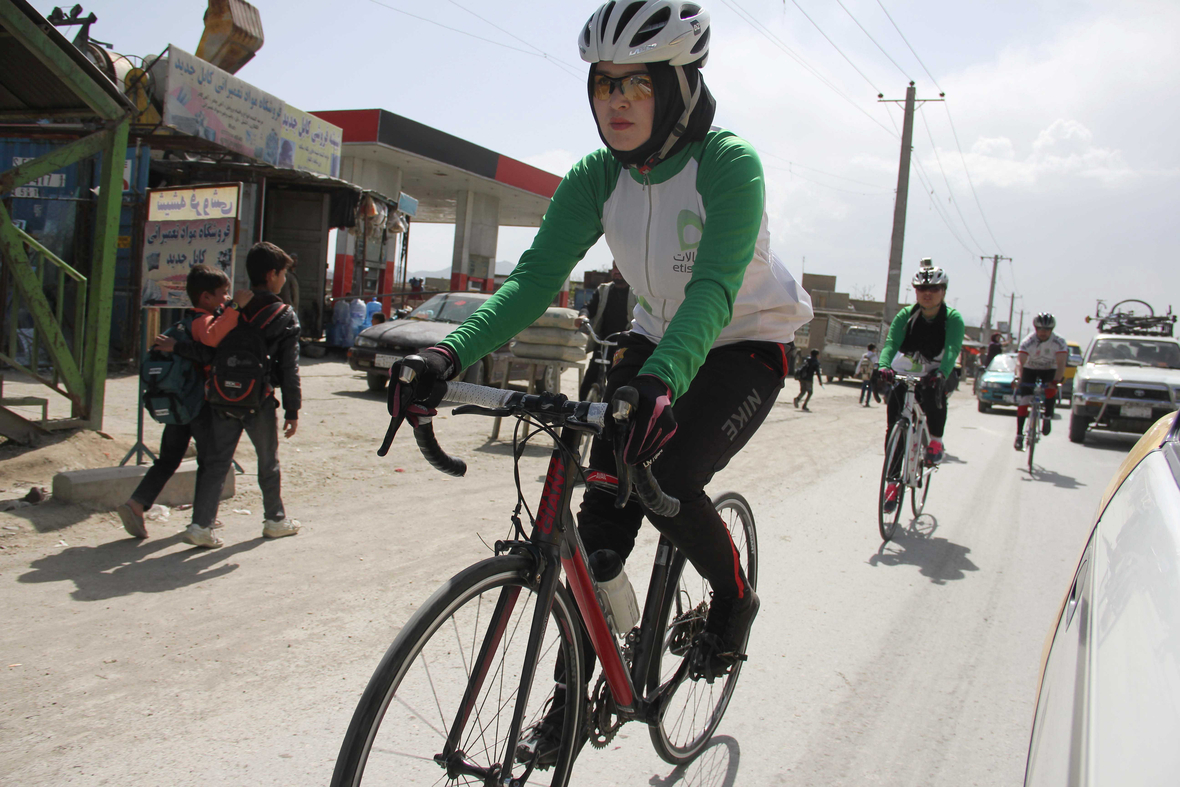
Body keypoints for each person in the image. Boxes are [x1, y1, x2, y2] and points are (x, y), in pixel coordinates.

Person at [383, 0, 812, 763]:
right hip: (657, 338)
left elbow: (713, 290)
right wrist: (447, 356)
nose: (615, 101)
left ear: (680, 87)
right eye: (603, 83)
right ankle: (572, 688)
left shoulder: (728, 164)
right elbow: (529, 286)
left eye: (637, 85)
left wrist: (661, 383)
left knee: (669, 471)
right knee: (597, 527)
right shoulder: (595, 178)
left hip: (743, 341)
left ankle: (734, 600)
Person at [117, 265, 252, 538]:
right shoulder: (203, 321)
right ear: (205, 297)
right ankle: (203, 519)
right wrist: (236, 306)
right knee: (210, 461)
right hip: (198, 405)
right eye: (222, 294)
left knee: (168, 459)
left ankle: (137, 503)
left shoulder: (183, 322)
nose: (225, 299)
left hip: (181, 404)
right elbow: (213, 339)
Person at [184, 242, 303, 547]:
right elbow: (289, 369)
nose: (284, 280)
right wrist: (292, 410)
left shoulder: (230, 308)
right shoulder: (283, 314)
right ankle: (275, 520)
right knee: (268, 462)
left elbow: (208, 350)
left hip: (222, 396)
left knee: (216, 461)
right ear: (272, 274)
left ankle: (201, 526)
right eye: (283, 274)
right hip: (258, 399)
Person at [877, 260, 965, 513]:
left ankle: (935, 441)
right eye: (921, 289)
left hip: (938, 369)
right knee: (894, 423)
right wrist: (884, 366)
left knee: (935, 392)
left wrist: (943, 372)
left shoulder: (952, 318)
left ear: (943, 291)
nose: (928, 294)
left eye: (935, 289)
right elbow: (892, 342)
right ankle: (892, 484)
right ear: (915, 291)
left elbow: (952, 349)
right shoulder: (906, 316)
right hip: (907, 369)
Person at [577, 262, 637, 399]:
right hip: (603, 342)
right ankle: (580, 414)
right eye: (615, 267)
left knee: (619, 383)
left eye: (620, 267)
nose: (617, 271)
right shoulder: (603, 290)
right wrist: (583, 316)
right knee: (590, 379)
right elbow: (589, 307)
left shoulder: (636, 292)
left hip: (624, 345)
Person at [1012, 313, 1067, 450]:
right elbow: (1020, 363)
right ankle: (1019, 435)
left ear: (1052, 330)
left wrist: (1056, 381)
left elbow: (1061, 365)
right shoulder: (1027, 342)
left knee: (1050, 390)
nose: (1043, 332)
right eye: (1040, 329)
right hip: (1030, 368)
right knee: (1024, 399)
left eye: (1047, 330)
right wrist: (1018, 378)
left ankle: (1047, 416)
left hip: (1050, 369)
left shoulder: (1059, 342)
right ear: (1036, 329)